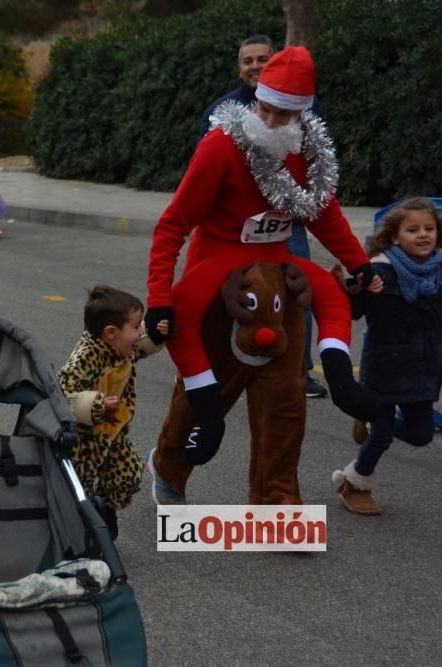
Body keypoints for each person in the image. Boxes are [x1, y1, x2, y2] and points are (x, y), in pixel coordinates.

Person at [144, 46, 380, 467]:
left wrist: (359, 264)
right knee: (200, 364)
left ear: (302, 115)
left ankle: (280, 491)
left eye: (283, 115)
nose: (270, 122)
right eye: (264, 109)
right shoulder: (219, 146)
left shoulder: (310, 151)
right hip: (217, 272)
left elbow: (323, 214)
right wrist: (159, 296)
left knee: (285, 398)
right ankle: (173, 461)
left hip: (277, 274)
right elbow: (173, 224)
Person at [200, 34, 328, 399]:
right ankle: (224, 364)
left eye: (262, 59)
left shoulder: (307, 106)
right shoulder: (220, 110)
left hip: (288, 222)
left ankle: (296, 370)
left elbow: (318, 162)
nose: (254, 65)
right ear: (239, 68)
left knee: (293, 295)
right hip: (237, 229)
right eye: (248, 60)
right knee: (232, 296)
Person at [331, 198, 442, 514]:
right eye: (413, 229)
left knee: (421, 435)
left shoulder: (439, 271)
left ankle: (366, 421)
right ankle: (355, 484)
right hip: (384, 366)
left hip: (423, 368)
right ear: (395, 237)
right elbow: (351, 312)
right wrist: (358, 289)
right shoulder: (380, 270)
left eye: (429, 228)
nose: (423, 235)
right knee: (380, 437)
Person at [59, 286, 167, 538]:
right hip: (81, 441)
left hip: (111, 432)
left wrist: (157, 338)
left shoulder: (119, 349)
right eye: (137, 326)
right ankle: (77, 530)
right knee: (77, 487)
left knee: (127, 473)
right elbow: (63, 395)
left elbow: (138, 349)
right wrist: (95, 405)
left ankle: (106, 509)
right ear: (111, 333)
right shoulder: (85, 356)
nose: (141, 332)